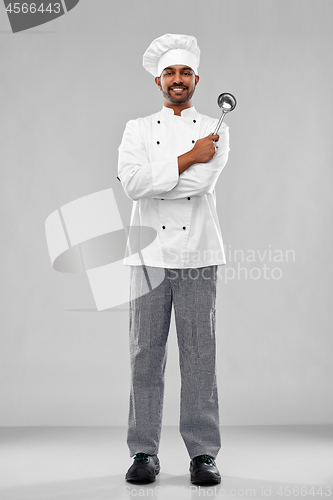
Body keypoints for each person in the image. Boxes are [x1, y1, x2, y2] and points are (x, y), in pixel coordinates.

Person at [117, 33, 230, 485]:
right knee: (145, 353)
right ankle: (143, 451)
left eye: (185, 72)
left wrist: (161, 175)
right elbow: (132, 185)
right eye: (169, 73)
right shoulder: (137, 129)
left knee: (200, 354)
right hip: (148, 254)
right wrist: (189, 157)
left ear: (196, 79)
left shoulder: (216, 128)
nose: (177, 79)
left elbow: (199, 185)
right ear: (158, 81)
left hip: (200, 252)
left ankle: (203, 454)